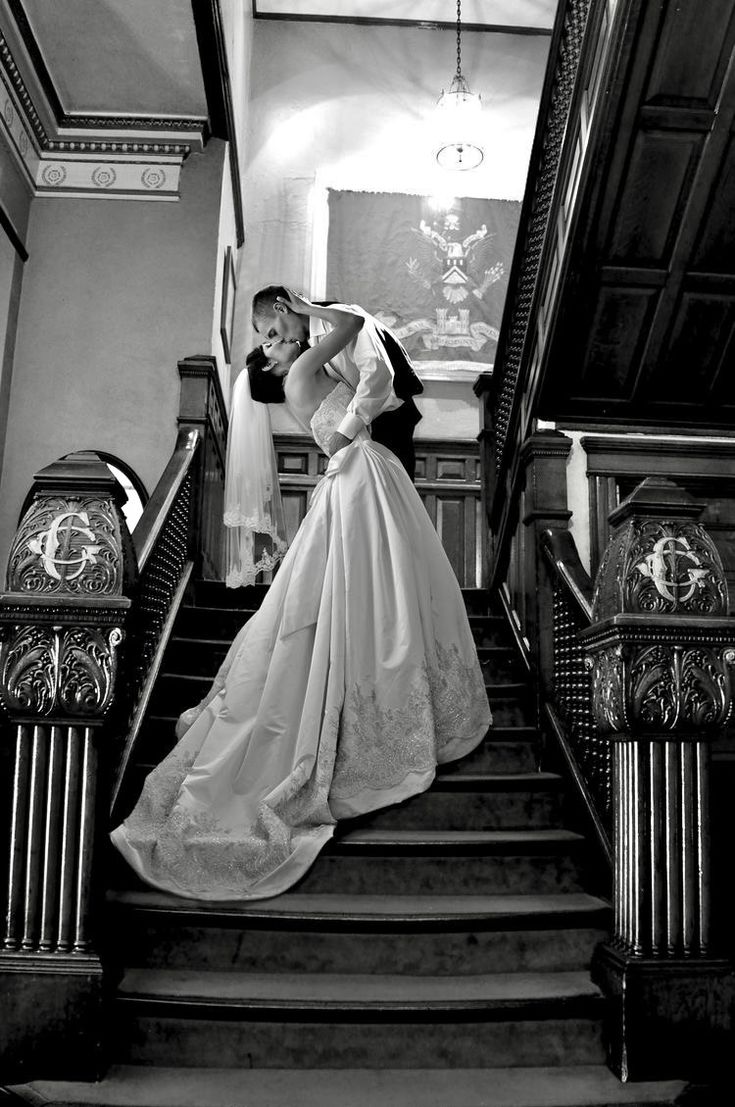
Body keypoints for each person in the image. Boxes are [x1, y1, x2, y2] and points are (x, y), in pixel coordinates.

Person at [110, 292, 491, 901]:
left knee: (372, 585)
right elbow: (349, 328)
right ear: (279, 363)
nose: (272, 340)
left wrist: (306, 322)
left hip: (360, 472)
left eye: (271, 331)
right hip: (359, 470)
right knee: (369, 587)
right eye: (266, 340)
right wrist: (313, 308)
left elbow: (359, 363)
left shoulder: (302, 374)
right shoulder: (307, 368)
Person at [251, 284, 423, 480]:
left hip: (390, 422)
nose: (279, 339)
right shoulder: (311, 347)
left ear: (281, 309)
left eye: (273, 333)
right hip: (365, 431)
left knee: (394, 504)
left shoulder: (343, 317)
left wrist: (346, 431)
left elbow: (377, 372)